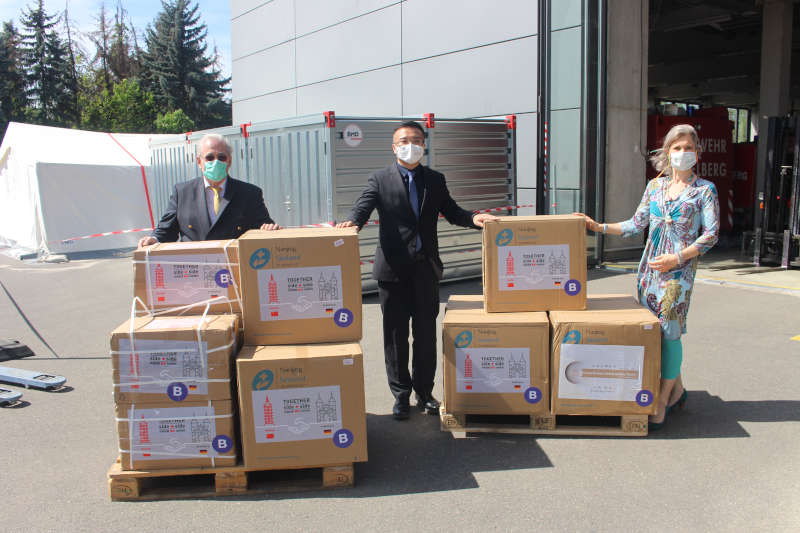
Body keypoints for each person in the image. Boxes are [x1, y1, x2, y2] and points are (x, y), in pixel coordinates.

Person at [337, 121, 498, 420]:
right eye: (404, 140)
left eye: (416, 140)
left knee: (425, 336)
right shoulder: (379, 179)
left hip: (425, 270)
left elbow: (452, 211)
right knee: (395, 338)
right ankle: (400, 396)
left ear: (424, 145)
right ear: (394, 146)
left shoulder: (434, 180)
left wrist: (475, 217)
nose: (410, 145)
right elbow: (362, 208)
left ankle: (425, 393)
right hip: (392, 272)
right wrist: (351, 224)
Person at [575, 123, 719, 431]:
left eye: (688, 148)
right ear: (667, 152)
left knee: (670, 332)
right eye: (677, 148)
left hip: (678, 274)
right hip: (648, 273)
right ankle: (678, 390)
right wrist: (596, 226)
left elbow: (711, 235)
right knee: (655, 333)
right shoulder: (655, 187)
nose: (683, 153)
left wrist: (678, 258)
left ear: (697, 152)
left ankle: (662, 401)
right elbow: (634, 224)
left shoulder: (704, 190)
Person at [137, 133, 279, 247]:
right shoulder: (182, 193)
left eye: (221, 157)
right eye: (209, 157)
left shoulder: (249, 194)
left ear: (229, 161)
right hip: (193, 271)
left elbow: (263, 227)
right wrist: (154, 239)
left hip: (234, 271)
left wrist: (269, 229)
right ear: (199, 162)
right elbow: (167, 230)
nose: (215, 162)